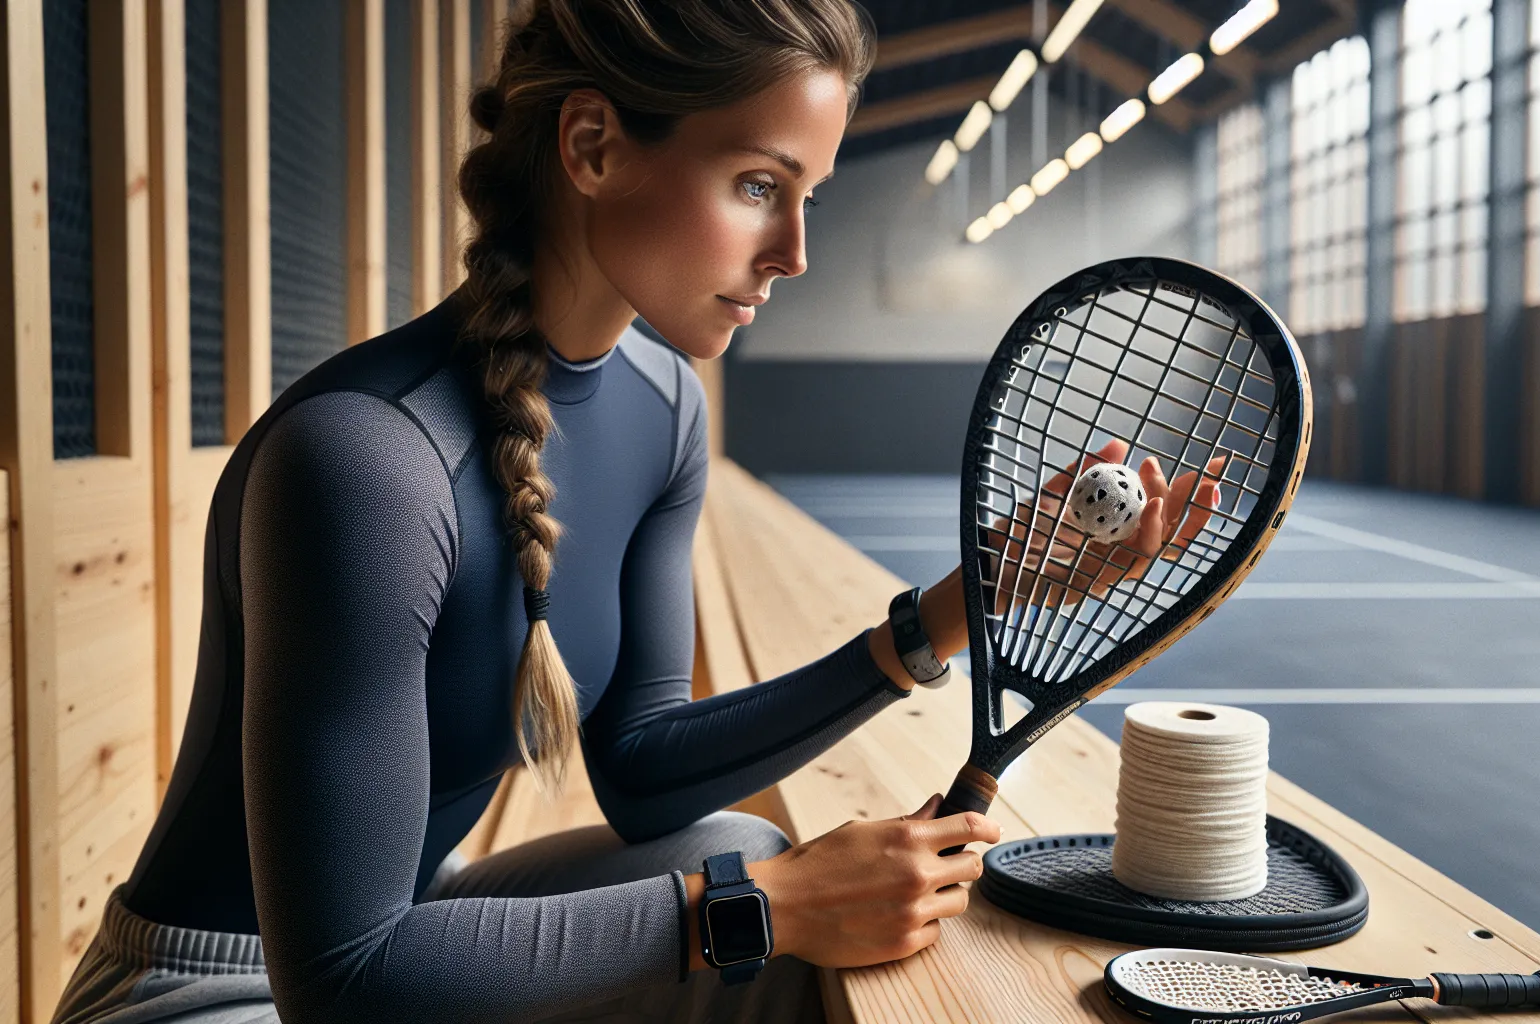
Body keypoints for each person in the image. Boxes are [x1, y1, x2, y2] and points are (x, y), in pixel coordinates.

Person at [51, 2, 1217, 1021]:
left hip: (412, 923)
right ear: (595, 146)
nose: (796, 252)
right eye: (759, 185)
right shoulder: (363, 462)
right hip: (223, 991)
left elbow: (645, 773)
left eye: (807, 195)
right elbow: (345, 981)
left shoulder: (664, 409)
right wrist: (767, 910)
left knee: (733, 848)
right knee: (754, 889)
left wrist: (955, 613)